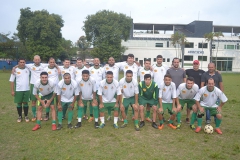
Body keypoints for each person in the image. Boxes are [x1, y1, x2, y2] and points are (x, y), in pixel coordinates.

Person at [9, 58, 30, 122]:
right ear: (18, 63)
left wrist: (14, 67)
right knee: (19, 103)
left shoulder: (28, 69)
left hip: (27, 89)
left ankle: (26, 116)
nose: (22, 63)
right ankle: (20, 116)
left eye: (23, 62)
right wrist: (12, 90)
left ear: (25, 63)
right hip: (18, 90)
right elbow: (12, 81)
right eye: (20, 62)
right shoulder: (15, 70)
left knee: (25, 103)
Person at [166, 57, 187, 122]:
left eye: (177, 62)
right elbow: (167, 79)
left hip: (179, 91)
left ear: (179, 63)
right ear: (172, 63)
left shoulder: (182, 71)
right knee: (171, 104)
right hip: (171, 90)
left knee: (178, 105)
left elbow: (184, 80)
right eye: (175, 62)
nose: (176, 63)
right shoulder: (169, 70)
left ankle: (178, 118)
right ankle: (171, 117)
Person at [138, 59, 153, 123]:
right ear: (144, 64)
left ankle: (147, 116)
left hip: (149, 89)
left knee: (148, 104)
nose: (147, 64)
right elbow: (139, 78)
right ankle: (141, 116)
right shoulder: (140, 70)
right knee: (141, 103)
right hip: (142, 88)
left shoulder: (151, 71)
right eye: (146, 63)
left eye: (149, 63)